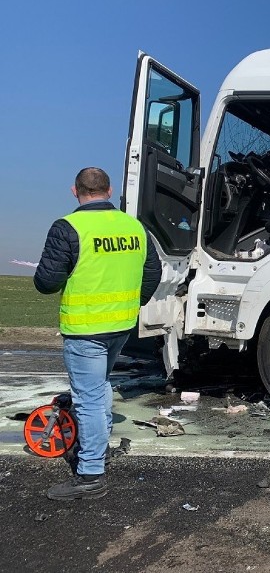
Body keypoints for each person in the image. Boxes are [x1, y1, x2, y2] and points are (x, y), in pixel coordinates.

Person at [34, 167, 162, 500]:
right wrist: (134, 303)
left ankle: (90, 474)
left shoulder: (68, 227)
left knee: (88, 397)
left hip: (86, 328)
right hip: (121, 325)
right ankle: (99, 448)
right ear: (109, 190)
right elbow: (153, 271)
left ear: (75, 192)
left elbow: (46, 282)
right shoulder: (135, 227)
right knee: (100, 388)